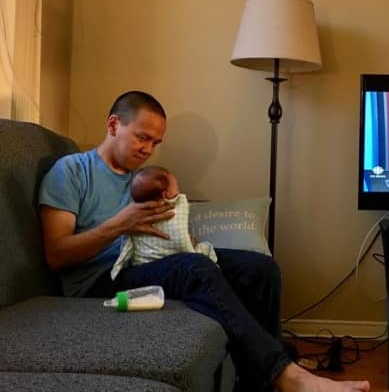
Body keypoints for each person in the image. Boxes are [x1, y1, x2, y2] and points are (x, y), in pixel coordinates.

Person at [38, 91, 370, 392]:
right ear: (114, 125)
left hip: (149, 264)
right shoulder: (71, 171)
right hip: (102, 280)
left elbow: (172, 230)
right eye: (142, 137)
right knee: (194, 268)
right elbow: (57, 255)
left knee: (260, 268)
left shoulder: (146, 179)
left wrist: (183, 236)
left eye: (156, 142)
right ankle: (287, 376)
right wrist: (119, 225)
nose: (148, 149)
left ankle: (261, 381)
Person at [110, 165, 217, 280]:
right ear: (165, 195)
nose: (179, 191)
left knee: (237, 260)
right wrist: (189, 244)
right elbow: (182, 242)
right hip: (162, 267)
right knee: (199, 261)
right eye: (176, 187)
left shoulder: (134, 213)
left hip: (142, 262)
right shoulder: (136, 217)